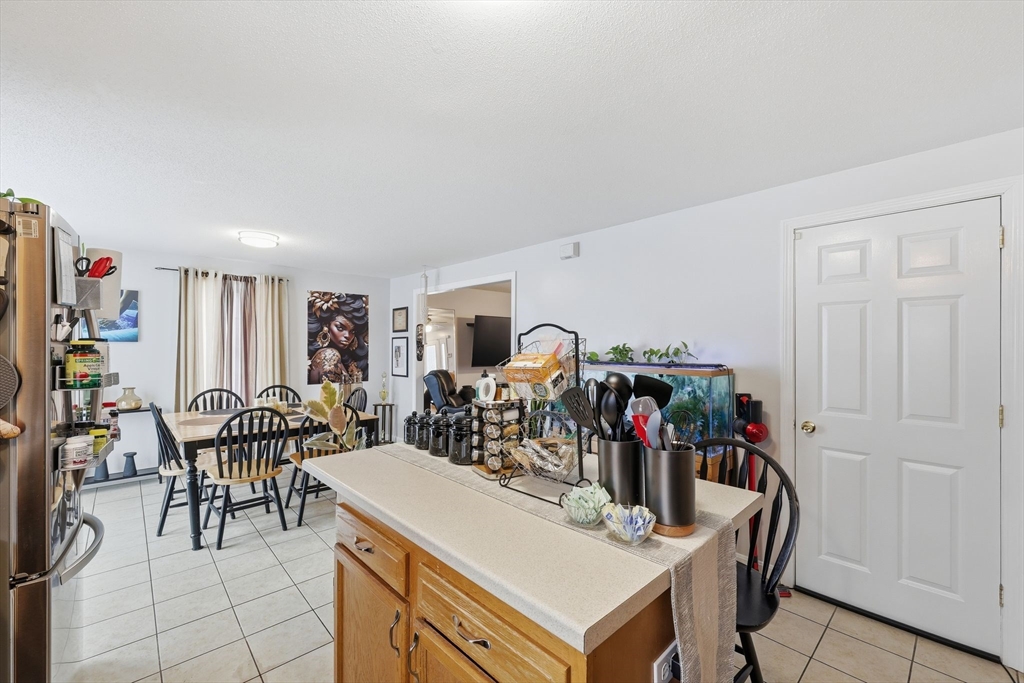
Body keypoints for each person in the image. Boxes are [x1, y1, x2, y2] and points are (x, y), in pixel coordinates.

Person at [308, 292, 369, 383]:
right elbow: (331, 396)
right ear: (326, 325)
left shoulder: (341, 357)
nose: (348, 336)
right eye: (340, 328)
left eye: (352, 331)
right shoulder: (329, 355)